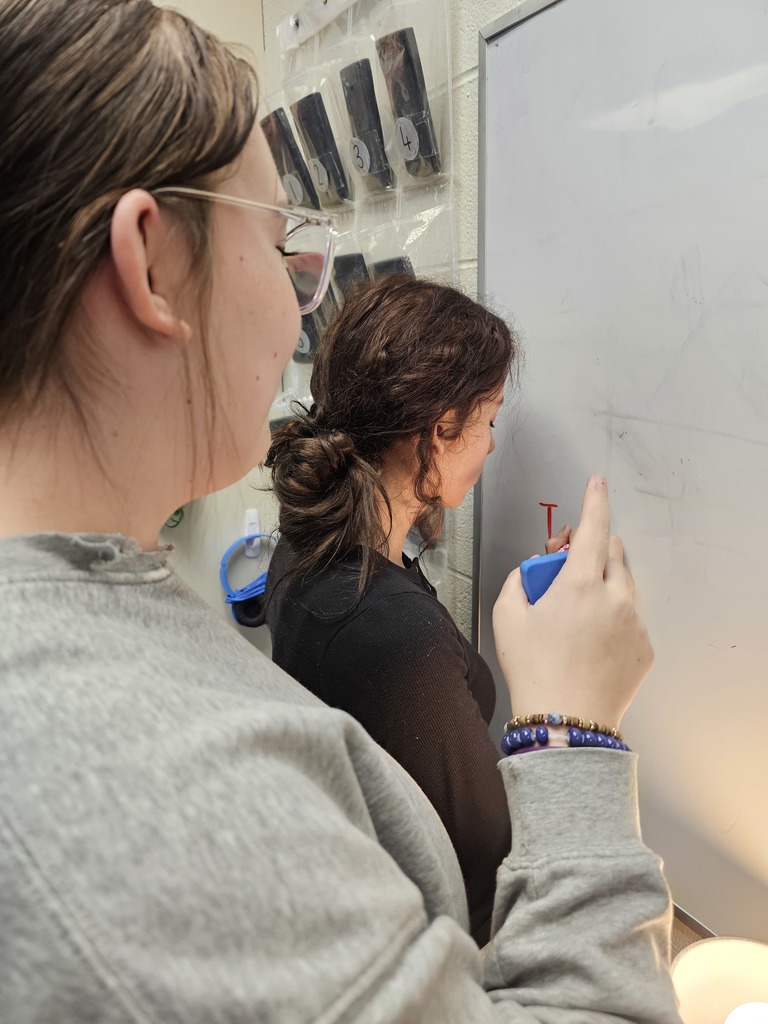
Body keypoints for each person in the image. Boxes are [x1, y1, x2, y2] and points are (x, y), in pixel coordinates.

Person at [0, 1, 682, 1021]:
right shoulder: (137, 775)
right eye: (281, 250)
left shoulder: (119, 612)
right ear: (149, 264)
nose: (298, 308)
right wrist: (571, 729)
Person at [261, 276, 569, 945]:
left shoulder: (309, 546)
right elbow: (490, 887)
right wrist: (566, 696)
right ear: (437, 431)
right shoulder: (398, 637)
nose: (490, 443)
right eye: (487, 421)